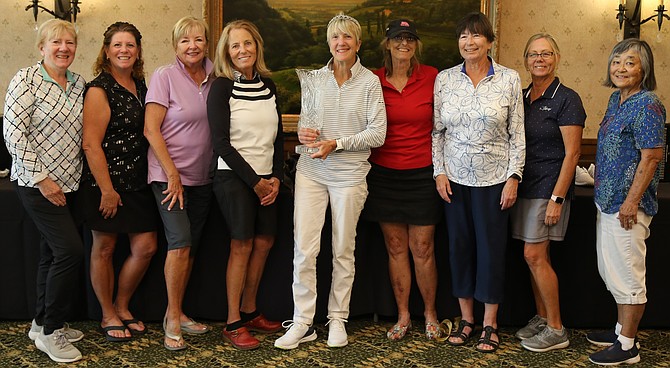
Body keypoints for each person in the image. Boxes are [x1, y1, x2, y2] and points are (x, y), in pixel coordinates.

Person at [274, 13, 387, 350]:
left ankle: (338, 318)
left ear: (358, 43)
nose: (341, 43)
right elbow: (308, 127)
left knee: (342, 250)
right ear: (328, 42)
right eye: (335, 37)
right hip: (311, 173)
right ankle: (302, 321)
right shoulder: (314, 79)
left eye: (348, 37)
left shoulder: (369, 82)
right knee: (305, 251)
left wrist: (336, 144)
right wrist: (306, 133)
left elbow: (377, 133)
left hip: (350, 177)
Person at [432, 11, 524, 353]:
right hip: (454, 180)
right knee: (459, 249)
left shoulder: (509, 79)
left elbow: (518, 135)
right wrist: (438, 171)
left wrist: (514, 176)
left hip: (495, 180)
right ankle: (467, 319)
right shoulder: (445, 80)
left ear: (489, 41)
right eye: (463, 37)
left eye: (476, 36)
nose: (468, 43)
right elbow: (437, 132)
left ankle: (490, 324)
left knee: (491, 251)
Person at [3, 19, 85, 363]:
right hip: (37, 185)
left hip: (72, 183)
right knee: (70, 251)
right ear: (42, 47)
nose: (63, 48)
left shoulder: (79, 83)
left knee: (52, 253)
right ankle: (52, 331)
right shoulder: (26, 80)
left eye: (69, 42)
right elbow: (13, 133)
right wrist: (42, 179)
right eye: (56, 42)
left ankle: (40, 323)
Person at [587, 38, 665, 366]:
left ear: (644, 69)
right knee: (612, 273)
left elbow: (651, 157)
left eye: (630, 62)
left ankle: (628, 346)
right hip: (607, 201)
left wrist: (632, 202)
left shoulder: (648, 104)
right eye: (616, 61)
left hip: (627, 208)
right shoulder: (615, 100)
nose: (621, 68)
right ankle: (621, 331)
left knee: (629, 278)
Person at [362, 19, 441, 341]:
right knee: (395, 247)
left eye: (409, 39)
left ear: (415, 44)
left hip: (423, 174)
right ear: (387, 44)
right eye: (398, 39)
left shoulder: (433, 77)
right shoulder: (371, 80)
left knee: (422, 248)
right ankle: (404, 316)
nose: (403, 44)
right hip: (383, 175)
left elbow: (445, 125)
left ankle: (431, 315)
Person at [207, 19, 284, 350]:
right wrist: (255, 183)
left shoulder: (269, 85)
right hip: (234, 178)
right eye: (235, 45)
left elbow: (278, 137)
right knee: (242, 244)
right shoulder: (221, 87)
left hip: (268, 179)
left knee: (264, 242)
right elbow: (221, 143)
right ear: (227, 51)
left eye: (247, 44)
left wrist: (276, 177)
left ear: (257, 47)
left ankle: (251, 311)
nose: (242, 50)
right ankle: (233, 321)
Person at [80, 22, 157, 343]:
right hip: (104, 184)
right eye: (117, 45)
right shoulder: (99, 88)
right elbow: (90, 144)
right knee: (105, 247)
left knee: (146, 246)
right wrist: (107, 190)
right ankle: (107, 313)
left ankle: (122, 306)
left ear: (138, 51)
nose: (124, 50)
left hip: (137, 182)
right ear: (107, 50)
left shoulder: (141, 85)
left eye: (130, 45)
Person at [511, 33, 585, 352]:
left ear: (556, 58)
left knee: (534, 255)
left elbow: (573, 154)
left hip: (548, 188)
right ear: (526, 60)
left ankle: (556, 328)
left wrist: (557, 198)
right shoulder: (523, 95)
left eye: (546, 53)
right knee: (535, 257)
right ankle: (542, 318)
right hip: (524, 185)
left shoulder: (567, 98)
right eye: (533, 54)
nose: (539, 59)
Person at [144, 16, 214, 351]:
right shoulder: (164, 76)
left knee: (191, 248)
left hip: (204, 179)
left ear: (206, 44)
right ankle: (172, 317)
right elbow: (151, 129)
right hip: (168, 178)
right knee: (180, 242)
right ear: (175, 46)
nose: (192, 46)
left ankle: (180, 310)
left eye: (198, 39)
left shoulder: (216, 77)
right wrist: (172, 173)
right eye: (185, 40)